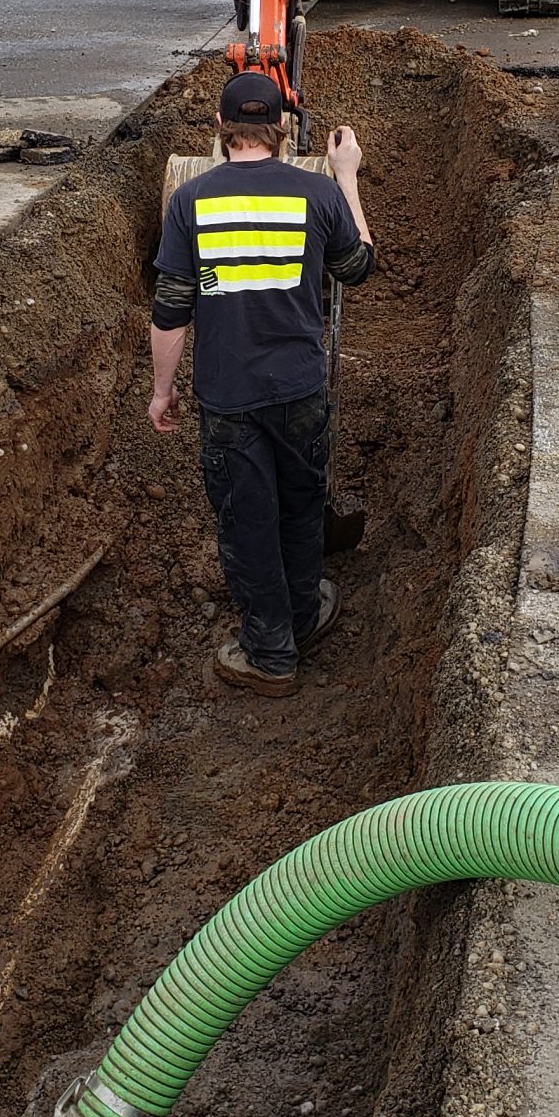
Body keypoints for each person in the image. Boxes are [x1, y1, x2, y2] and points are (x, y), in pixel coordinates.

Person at [149, 70, 375, 696]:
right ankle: (301, 620)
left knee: (247, 520)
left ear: (220, 130)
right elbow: (357, 268)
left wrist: (162, 391)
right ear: (282, 130)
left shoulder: (190, 202)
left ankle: (271, 652)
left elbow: (172, 309)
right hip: (302, 392)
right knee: (302, 508)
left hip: (229, 398)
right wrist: (347, 178)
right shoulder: (317, 194)